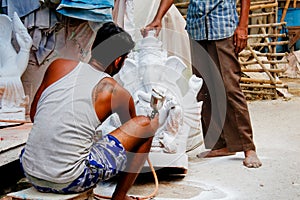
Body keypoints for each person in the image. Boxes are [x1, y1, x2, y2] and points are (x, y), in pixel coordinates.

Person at [20, 22, 159, 200]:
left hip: (30, 171)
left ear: (94, 47)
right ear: (119, 61)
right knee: (146, 125)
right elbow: (135, 136)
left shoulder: (58, 65)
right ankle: (120, 196)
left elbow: (34, 115)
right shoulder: (115, 91)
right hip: (71, 180)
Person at [145, 0, 262, 168]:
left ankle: (248, 148)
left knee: (229, 87)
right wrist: (158, 18)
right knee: (204, 88)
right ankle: (220, 144)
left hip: (222, 26)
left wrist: (242, 26)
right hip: (197, 28)